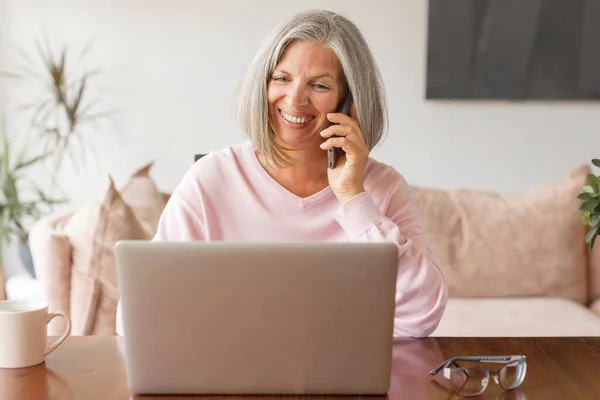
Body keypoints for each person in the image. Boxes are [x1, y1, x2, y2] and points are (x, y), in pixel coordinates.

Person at [116, 9, 447, 338]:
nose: (295, 99)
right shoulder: (210, 179)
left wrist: (353, 197)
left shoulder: (383, 187)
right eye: (282, 78)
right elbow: (140, 314)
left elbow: (423, 314)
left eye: (319, 85)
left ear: (350, 104)